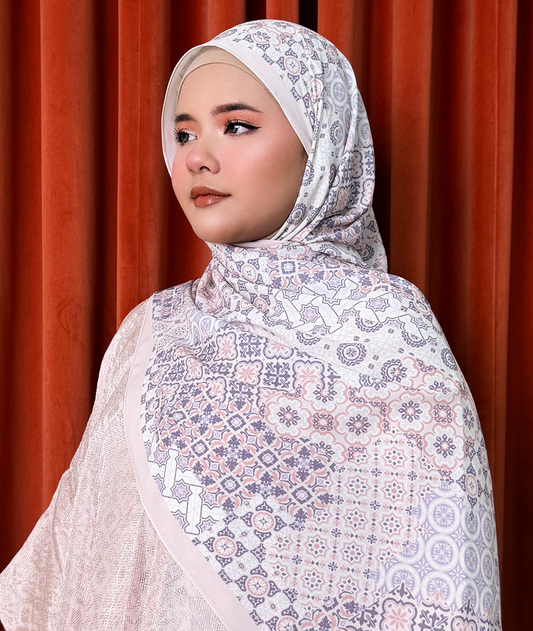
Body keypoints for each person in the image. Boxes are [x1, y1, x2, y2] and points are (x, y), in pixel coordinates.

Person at [0, 20, 501, 631]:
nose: (196, 157)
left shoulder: (388, 336)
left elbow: (441, 583)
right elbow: (85, 557)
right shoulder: (151, 331)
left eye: (236, 125)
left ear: (321, 146)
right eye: (183, 133)